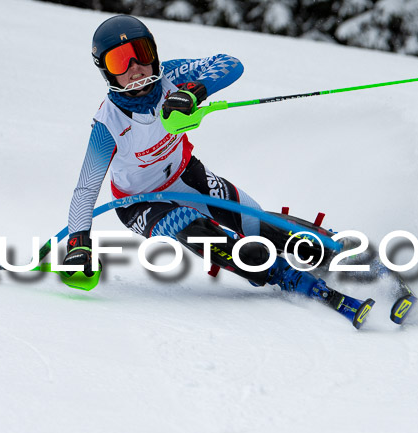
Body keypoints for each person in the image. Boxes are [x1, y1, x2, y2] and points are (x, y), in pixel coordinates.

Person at [61, 14, 337, 304]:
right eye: (120, 61)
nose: (136, 69)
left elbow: (229, 63)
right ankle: (279, 274)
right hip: (139, 202)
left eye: (141, 54)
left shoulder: (172, 76)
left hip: (186, 175)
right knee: (191, 226)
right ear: (106, 71)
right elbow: (85, 190)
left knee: (252, 217)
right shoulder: (108, 125)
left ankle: (331, 250)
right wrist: (79, 244)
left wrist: (197, 90)